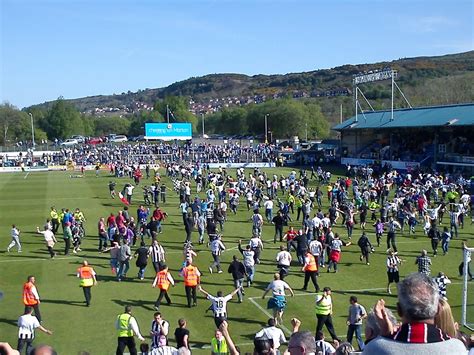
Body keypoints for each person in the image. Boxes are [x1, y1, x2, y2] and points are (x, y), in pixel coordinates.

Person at [362, 273, 467, 354]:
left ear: (399, 310)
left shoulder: (375, 348)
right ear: (438, 309)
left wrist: (385, 337)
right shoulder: (457, 348)